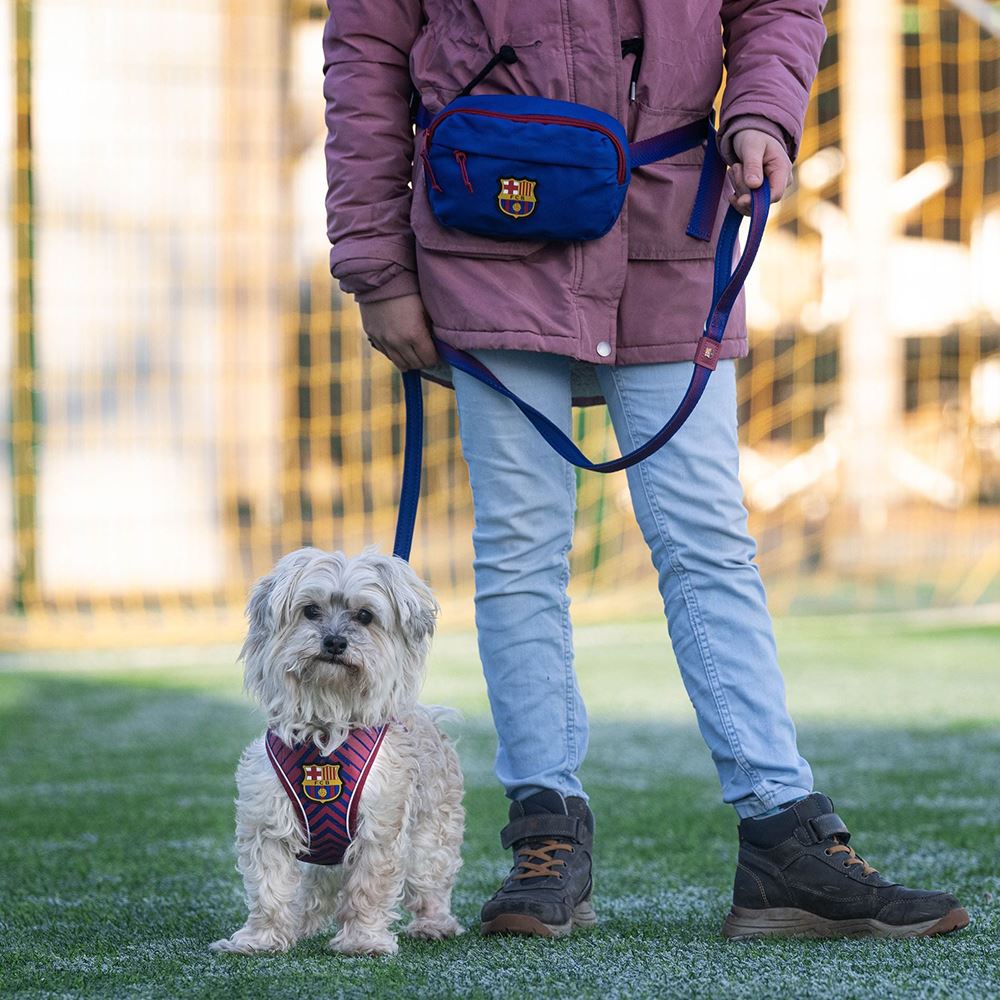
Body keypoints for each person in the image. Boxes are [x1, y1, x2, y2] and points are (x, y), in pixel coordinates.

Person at [323, 1, 968, 939]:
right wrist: (377, 266)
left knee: (709, 541)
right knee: (518, 549)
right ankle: (545, 839)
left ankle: (783, 835)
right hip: (485, 229)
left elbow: (778, 6)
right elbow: (365, 53)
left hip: (671, 221)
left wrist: (760, 110)